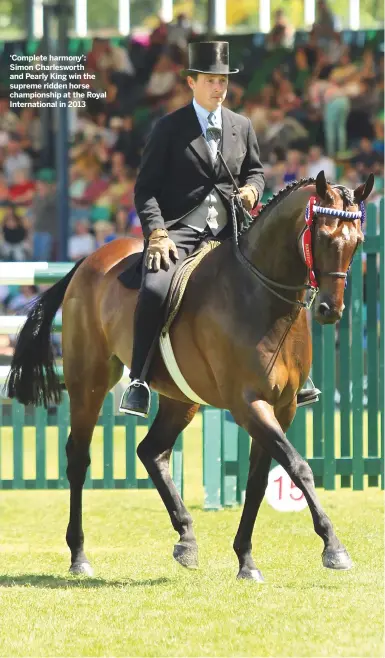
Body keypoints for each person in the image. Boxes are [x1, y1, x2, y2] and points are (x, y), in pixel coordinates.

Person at [119, 41, 319, 417]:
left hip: (232, 232)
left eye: (223, 81)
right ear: (192, 82)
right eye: (211, 80)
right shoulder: (169, 128)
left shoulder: (241, 126)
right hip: (179, 232)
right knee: (156, 286)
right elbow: (145, 189)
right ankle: (139, 379)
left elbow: (256, 173)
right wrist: (157, 233)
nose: (219, 88)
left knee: (285, 278)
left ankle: (298, 373)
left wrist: (250, 190)